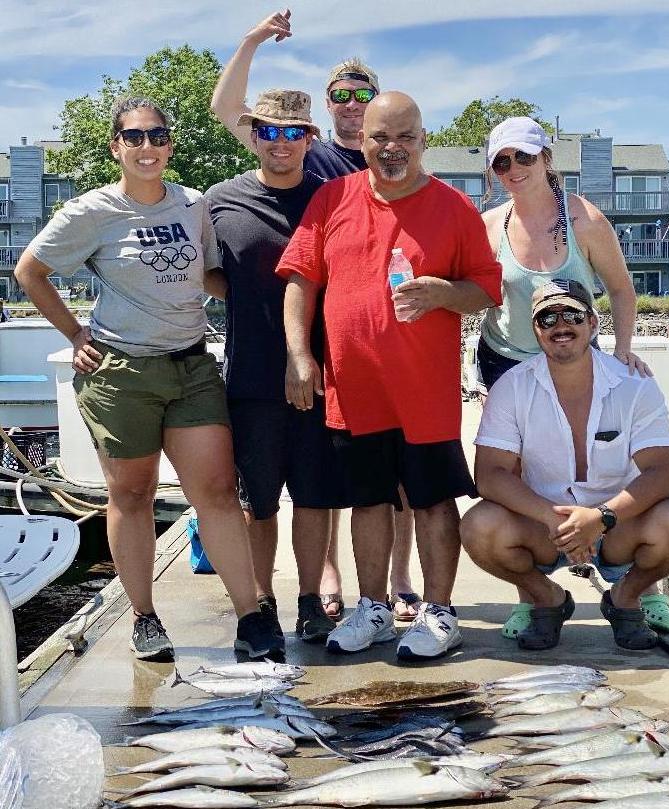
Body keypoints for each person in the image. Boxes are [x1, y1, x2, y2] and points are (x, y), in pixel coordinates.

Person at [14, 97, 280, 661]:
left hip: (191, 366)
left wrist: (273, 300)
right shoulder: (91, 211)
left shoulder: (193, 204)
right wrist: (76, 336)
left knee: (215, 492)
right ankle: (144, 616)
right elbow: (30, 272)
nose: (147, 147)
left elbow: (208, 275)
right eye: (134, 138)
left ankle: (252, 617)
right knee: (131, 494)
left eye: (157, 136)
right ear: (116, 147)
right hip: (121, 374)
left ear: (170, 145)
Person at [210, 8, 420, 622]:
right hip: (266, 369)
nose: (352, 105)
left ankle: (394, 578)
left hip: (359, 357)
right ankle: (299, 592)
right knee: (273, 496)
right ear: (324, 113)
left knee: (364, 480)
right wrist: (251, 39)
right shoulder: (323, 169)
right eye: (341, 96)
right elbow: (231, 112)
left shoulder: (386, 169)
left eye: (363, 95)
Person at [277, 91, 502, 661]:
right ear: (362, 140)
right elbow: (300, 280)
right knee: (368, 501)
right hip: (355, 391)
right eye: (380, 137)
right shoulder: (332, 198)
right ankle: (372, 606)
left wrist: (447, 293)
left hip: (424, 395)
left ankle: (439, 610)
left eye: (405, 137)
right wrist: (300, 356)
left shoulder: (454, 208)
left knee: (431, 500)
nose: (392, 148)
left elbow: (486, 287)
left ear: (423, 141)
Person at [478, 116, 662, 638]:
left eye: (523, 157)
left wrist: (623, 353)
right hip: (507, 359)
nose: (513, 169)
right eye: (501, 162)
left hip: (572, 347)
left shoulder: (585, 220)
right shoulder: (489, 225)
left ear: (546, 160)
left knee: (616, 463)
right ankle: (534, 598)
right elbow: (470, 294)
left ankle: (643, 588)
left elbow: (622, 289)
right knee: (518, 480)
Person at [461, 278, 669, 651]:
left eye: (572, 314)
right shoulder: (511, 387)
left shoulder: (634, 385)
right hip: (545, 527)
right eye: (547, 318)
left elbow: (661, 473)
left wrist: (601, 517)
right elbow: (490, 475)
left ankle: (626, 597)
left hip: (618, 526)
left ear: (592, 323)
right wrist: (551, 516)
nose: (561, 326)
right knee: (479, 526)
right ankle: (546, 599)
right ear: (536, 331)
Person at [204, 89, 348, 651]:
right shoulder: (220, 200)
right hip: (251, 378)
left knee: (314, 497)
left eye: (293, 133)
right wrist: (240, 296)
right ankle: (261, 603)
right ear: (254, 135)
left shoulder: (334, 198)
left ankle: (310, 601)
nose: (281, 143)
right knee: (256, 502)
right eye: (269, 131)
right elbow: (204, 272)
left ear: (309, 139)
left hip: (326, 375)